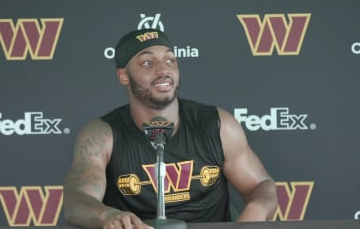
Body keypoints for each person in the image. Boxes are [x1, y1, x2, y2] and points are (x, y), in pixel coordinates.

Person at [63, 28, 278, 229]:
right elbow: (77, 199)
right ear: (124, 76)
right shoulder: (102, 134)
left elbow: (261, 185)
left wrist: (257, 208)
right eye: (147, 62)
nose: (163, 69)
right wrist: (106, 215)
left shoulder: (217, 124)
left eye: (170, 60)